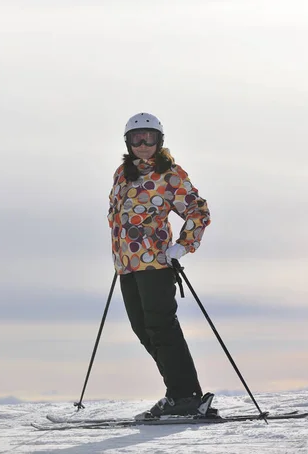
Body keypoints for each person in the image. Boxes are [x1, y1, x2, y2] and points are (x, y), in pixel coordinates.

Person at [108, 112, 215, 419]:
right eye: (136, 139)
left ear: (159, 141)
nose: (143, 144)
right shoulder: (122, 173)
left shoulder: (170, 174)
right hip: (126, 265)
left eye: (149, 138)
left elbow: (198, 210)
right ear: (128, 142)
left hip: (155, 262)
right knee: (143, 329)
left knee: (161, 327)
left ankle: (184, 396)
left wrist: (183, 245)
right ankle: (182, 393)